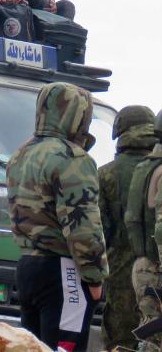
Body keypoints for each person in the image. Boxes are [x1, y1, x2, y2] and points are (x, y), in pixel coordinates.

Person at [7, 82, 107, 351]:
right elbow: (82, 225)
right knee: (64, 348)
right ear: (77, 115)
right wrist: (95, 277)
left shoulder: (22, 153)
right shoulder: (72, 158)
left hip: (27, 265)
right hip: (63, 272)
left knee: (31, 348)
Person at [98, 105, 158, 351]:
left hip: (121, 279)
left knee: (119, 344)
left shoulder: (105, 175)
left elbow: (99, 233)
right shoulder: (159, 170)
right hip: (157, 278)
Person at [124, 110, 162, 352]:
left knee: (151, 338)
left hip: (145, 266)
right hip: (157, 271)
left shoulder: (148, 165)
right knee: (154, 342)